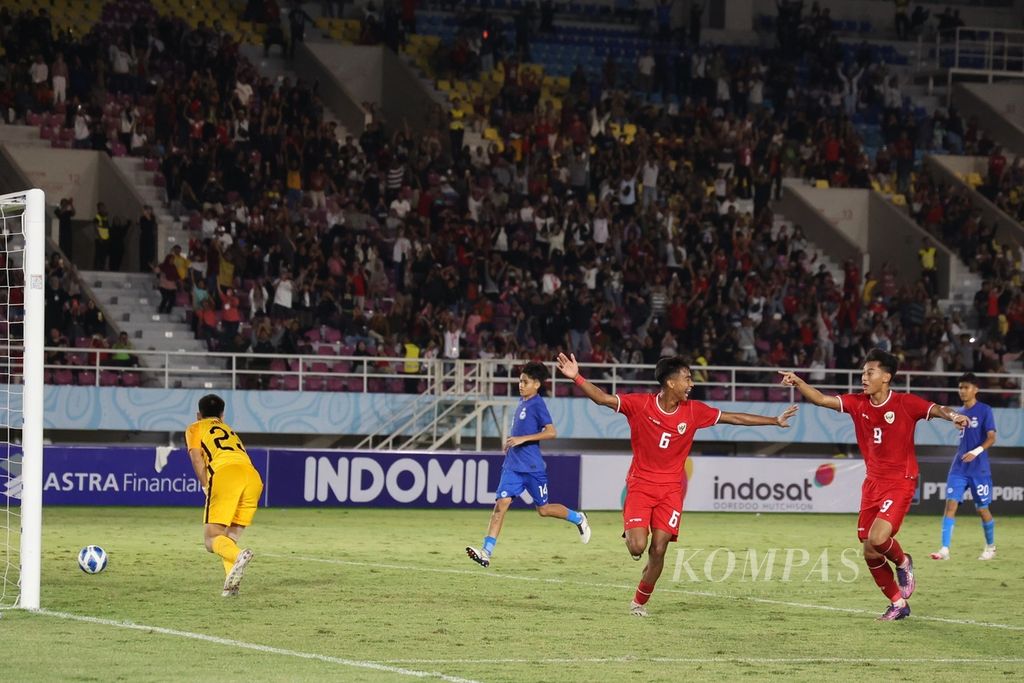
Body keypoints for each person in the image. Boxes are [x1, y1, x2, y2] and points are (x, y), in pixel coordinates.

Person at [557, 353, 797, 617]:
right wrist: (576, 377)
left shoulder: (694, 411)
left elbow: (733, 418)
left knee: (658, 549)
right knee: (637, 547)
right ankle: (636, 540)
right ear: (671, 383)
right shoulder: (640, 405)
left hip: (671, 490)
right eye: (687, 378)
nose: (691, 383)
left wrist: (774, 421)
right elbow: (602, 398)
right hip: (640, 485)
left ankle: (639, 602)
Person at [779, 348, 969, 621]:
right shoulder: (858, 403)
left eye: (870, 372)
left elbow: (937, 409)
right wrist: (798, 381)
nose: (864, 378)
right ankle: (898, 603)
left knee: (880, 539)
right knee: (869, 550)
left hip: (900, 481)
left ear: (887, 377)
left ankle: (904, 562)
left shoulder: (905, 403)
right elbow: (821, 399)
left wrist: (955, 417)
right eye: (863, 373)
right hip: (872, 484)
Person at [466, 362, 592, 568]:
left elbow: (551, 432)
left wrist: (522, 439)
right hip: (513, 466)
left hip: (533, 468)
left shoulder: (537, 404)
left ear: (537, 384)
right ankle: (486, 552)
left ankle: (578, 517)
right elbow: (521, 431)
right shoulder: (522, 401)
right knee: (501, 505)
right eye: (520, 381)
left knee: (543, 510)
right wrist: (512, 440)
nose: (521, 385)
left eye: (525, 382)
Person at [185, 394, 263, 597]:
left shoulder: (196, 427)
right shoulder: (229, 429)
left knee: (211, 540)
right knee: (227, 539)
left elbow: (196, 458)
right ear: (222, 415)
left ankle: (239, 555)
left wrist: (205, 485)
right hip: (252, 478)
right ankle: (231, 586)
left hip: (226, 475)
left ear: (198, 414)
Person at [930, 373, 998, 561]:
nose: (962, 391)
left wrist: (976, 452)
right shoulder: (959, 413)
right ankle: (944, 549)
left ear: (975, 389)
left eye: (966, 387)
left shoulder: (985, 410)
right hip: (959, 466)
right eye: (960, 387)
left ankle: (991, 547)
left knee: (982, 509)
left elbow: (992, 437)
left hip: (979, 468)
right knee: (950, 504)